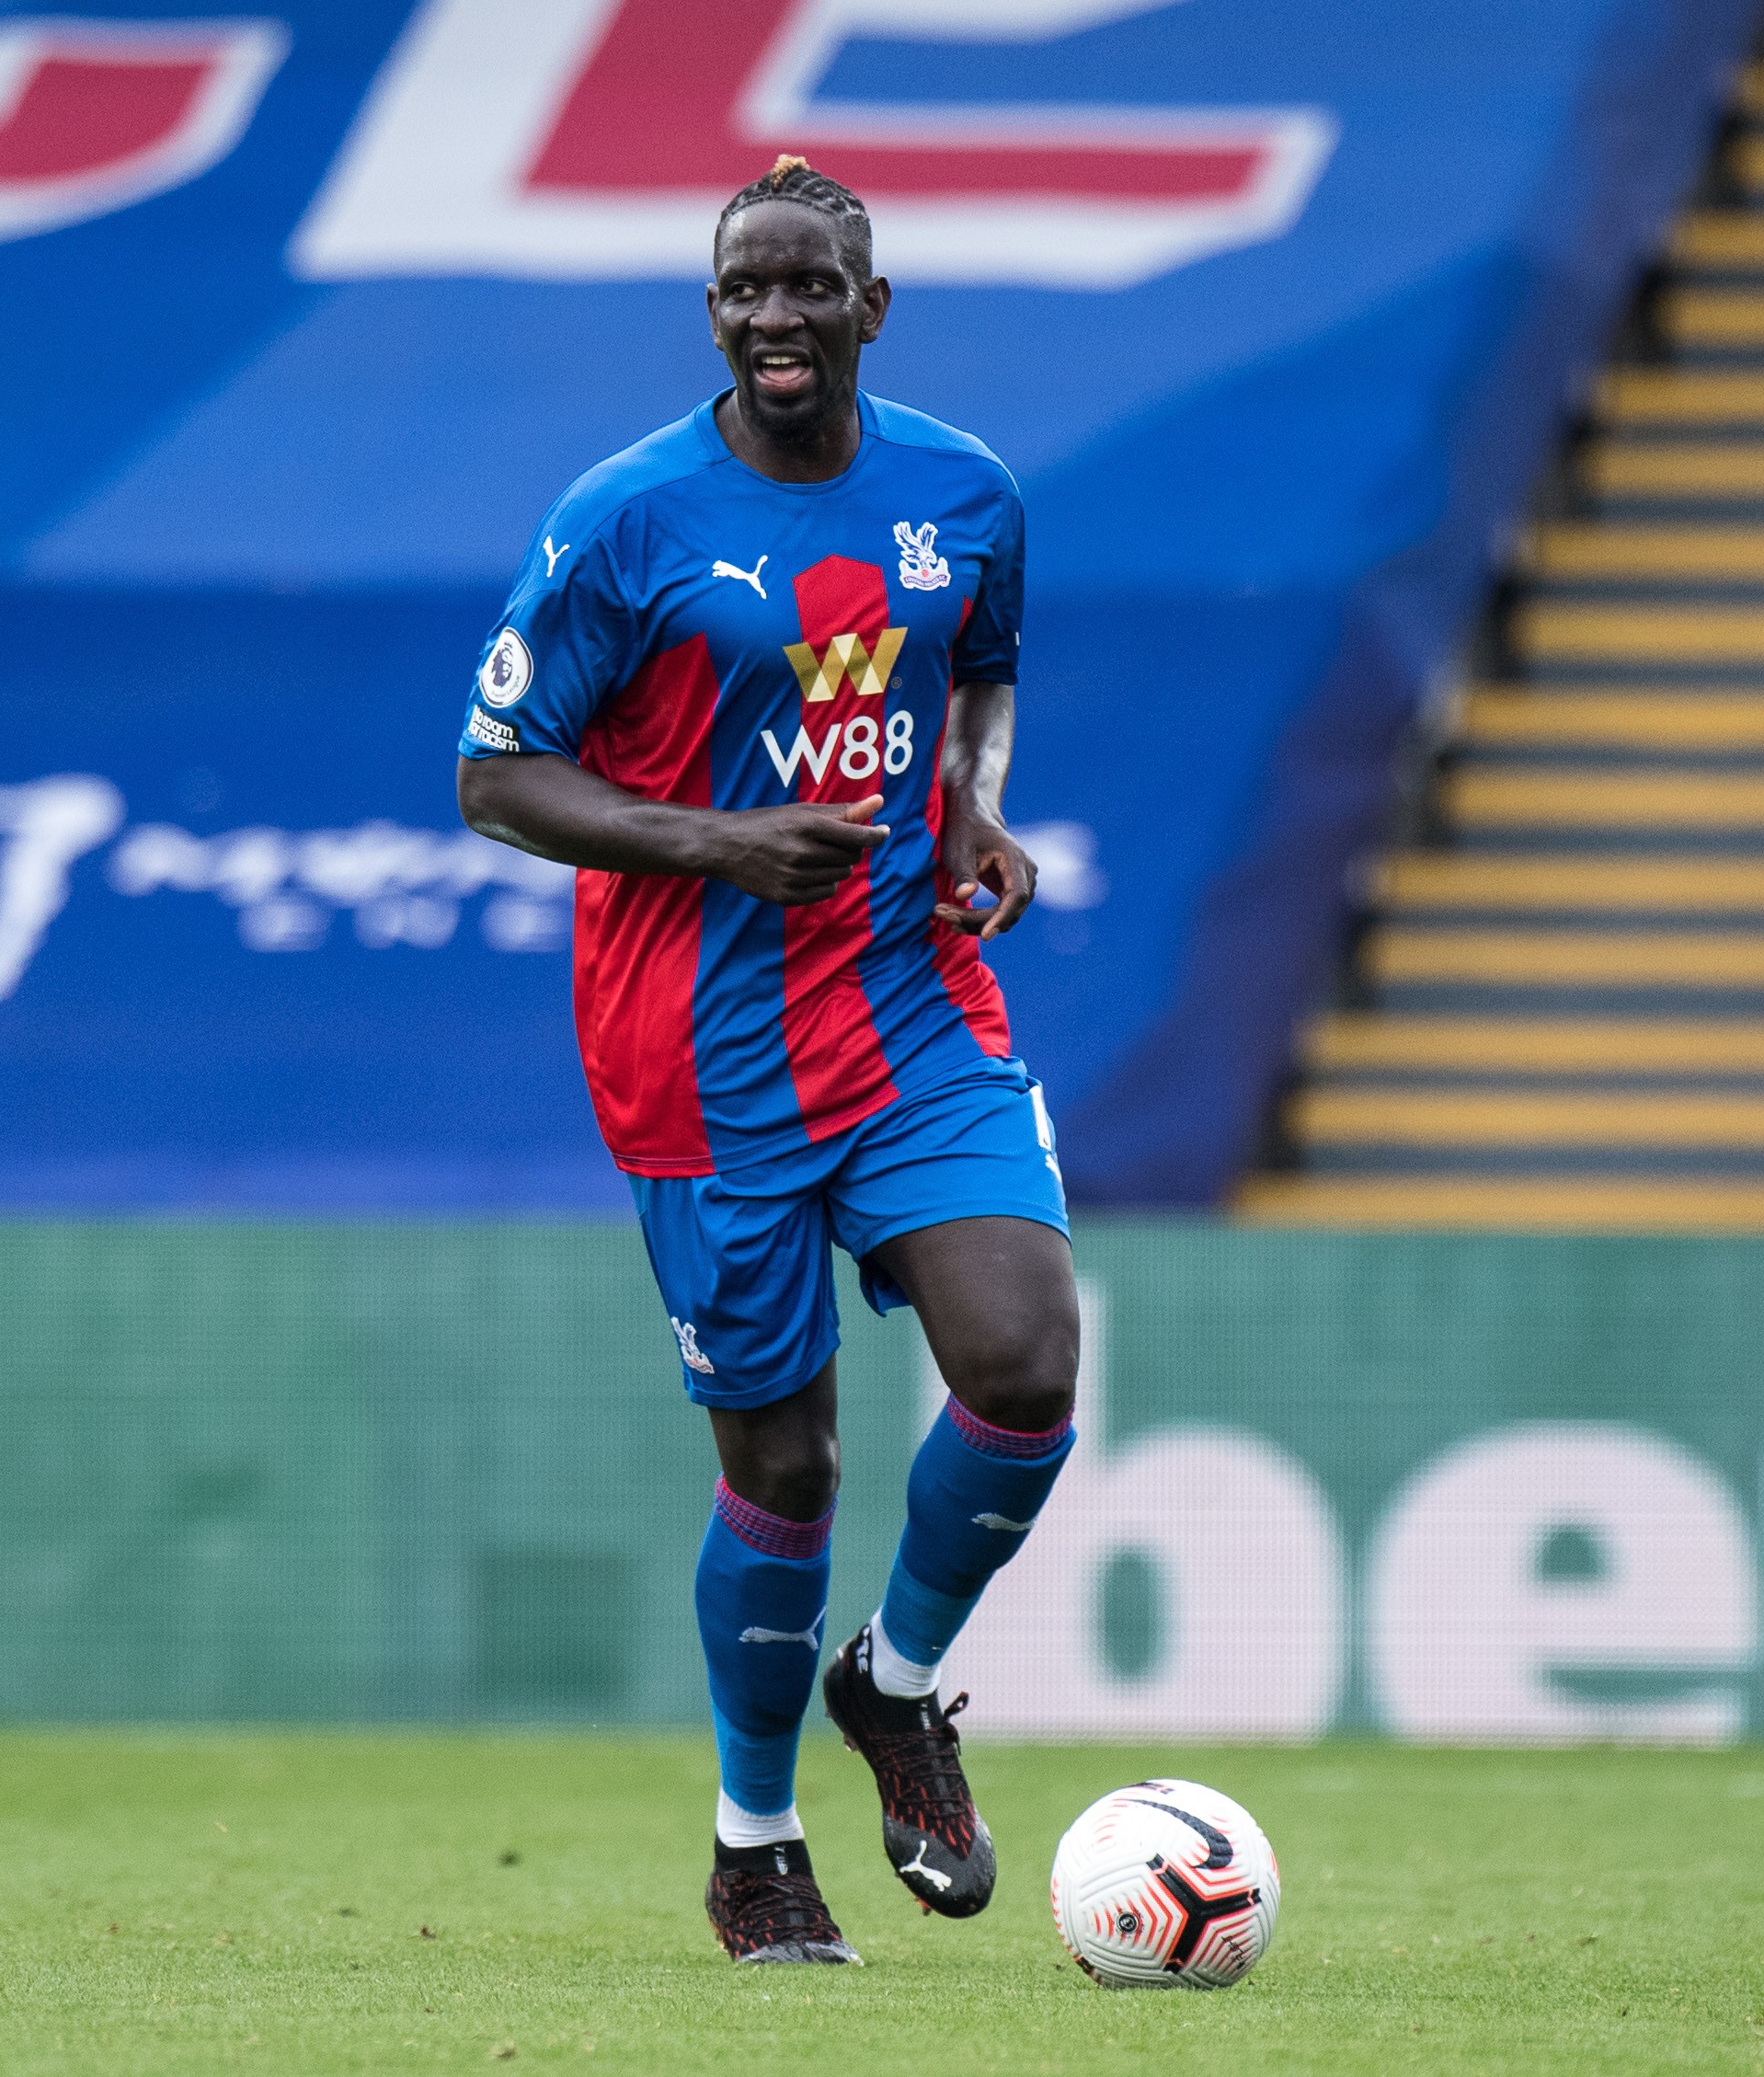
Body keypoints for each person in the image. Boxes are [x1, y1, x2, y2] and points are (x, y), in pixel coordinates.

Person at [454, 155, 1081, 1966]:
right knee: (785, 1466)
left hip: (902, 998)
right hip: (692, 1047)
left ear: (869, 307)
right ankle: (753, 1844)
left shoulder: (963, 493)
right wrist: (718, 840)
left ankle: (893, 1688)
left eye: (810, 287)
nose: (775, 316)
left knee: (1024, 1357)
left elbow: (978, 668)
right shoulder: (625, 518)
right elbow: (494, 778)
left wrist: (967, 813)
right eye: (744, 289)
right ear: (711, 310)